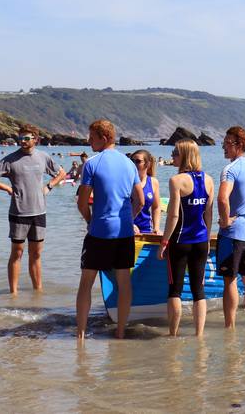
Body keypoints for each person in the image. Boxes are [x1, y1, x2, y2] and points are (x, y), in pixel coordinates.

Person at [76, 120, 144, 341]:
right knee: (124, 283)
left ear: (104, 138)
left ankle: (81, 333)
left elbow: (82, 202)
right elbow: (140, 200)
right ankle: (121, 332)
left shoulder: (92, 164)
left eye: (92, 137)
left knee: (86, 282)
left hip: (99, 232)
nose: (89, 141)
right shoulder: (129, 164)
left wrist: (89, 220)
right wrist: (128, 219)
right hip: (124, 233)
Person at [0, 125, 66, 294]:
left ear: (36, 139)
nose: (23, 142)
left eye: (26, 138)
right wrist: (6, 188)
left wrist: (49, 186)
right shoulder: (10, 159)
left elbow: (61, 173)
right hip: (19, 213)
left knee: (36, 254)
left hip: (39, 212)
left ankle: (38, 291)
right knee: (17, 253)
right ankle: (13, 293)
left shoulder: (43, 157)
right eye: (20, 139)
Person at [157, 139, 214, 336]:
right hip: (200, 241)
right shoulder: (208, 180)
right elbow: (208, 214)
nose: (172, 156)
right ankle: (199, 335)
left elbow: (173, 216)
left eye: (175, 152)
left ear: (184, 156)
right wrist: (207, 240)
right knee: (199, 290)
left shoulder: (176, 181)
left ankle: (173, 334)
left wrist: (164, 242)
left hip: (180, 241)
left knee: (175, 290)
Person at [216, 126, 245, 328]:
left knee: (230, 280)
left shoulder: (231, 169)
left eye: (227, 143)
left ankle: (230, 326)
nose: (223, 147)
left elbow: (222, 198)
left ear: (239, 145)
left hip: (233, 233)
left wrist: (225, 221)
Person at [130, 149, 161, 234]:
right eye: (132, 161)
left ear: (147, 164)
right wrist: (129, 223)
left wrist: (156, 228)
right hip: (126, 228)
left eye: (138, 161)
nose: (134, 164)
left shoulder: (153, 182)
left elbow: (156, 207)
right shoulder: (125, 181)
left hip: (146, 229)